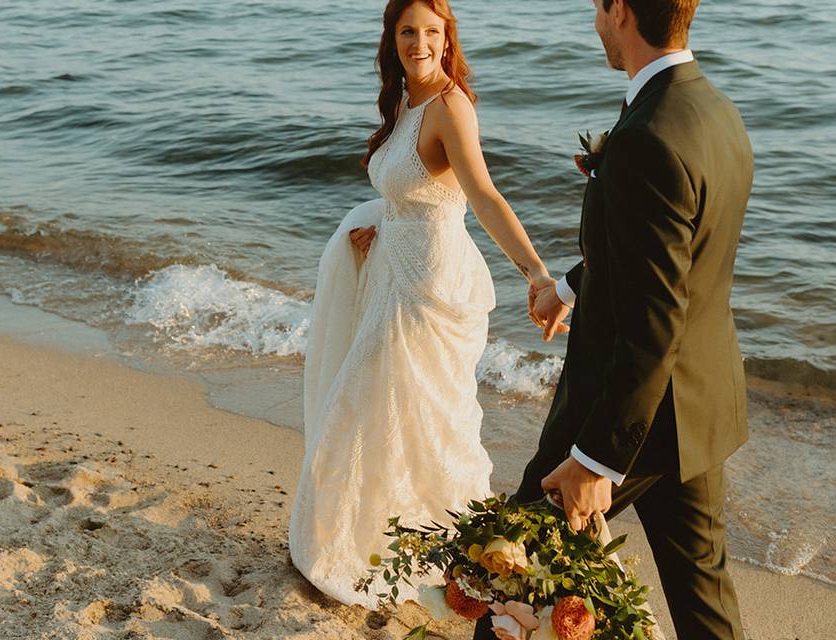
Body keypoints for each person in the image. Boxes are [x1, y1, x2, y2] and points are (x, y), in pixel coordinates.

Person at [477, 0, 754, 638]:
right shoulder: (712, 109)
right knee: (704, 602)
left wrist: (595, 461)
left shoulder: (645, 139)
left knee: (507, 579)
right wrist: (573, 289)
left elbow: (653, 324)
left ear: (621, 11)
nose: (595, 21)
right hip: (699, 406)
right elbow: (672, 262)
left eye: (598, 9)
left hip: (626, 417)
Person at [289, 0, 555, 607]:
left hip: (429, 285)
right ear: (394, 38)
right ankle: (383, 543)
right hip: (393, 267)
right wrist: (379, 225)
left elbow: (482, 195)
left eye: (431, 32)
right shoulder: (404, 102)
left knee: (407, 413)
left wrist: (536, 274)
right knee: (384, 413)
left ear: (446, 38)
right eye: (408, 31)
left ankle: (442, 550)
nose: (419, 42)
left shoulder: (449, 106)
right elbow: (413, 192)